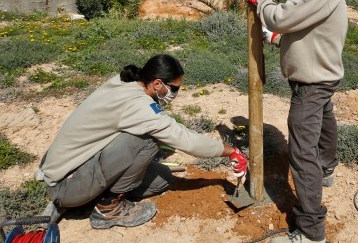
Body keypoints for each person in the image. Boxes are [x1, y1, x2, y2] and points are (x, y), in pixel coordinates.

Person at [36, 54, 247, 229]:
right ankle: (108, 208)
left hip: (71, 170)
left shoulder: (124, 83)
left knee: (162, 179)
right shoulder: (139, 106)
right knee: (150, 139)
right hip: (65, 184)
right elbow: (184, 139)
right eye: (174, 88)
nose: (175, 93)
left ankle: (96, 195)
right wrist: (230, 151)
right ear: (157, 83)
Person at [244, 0, 348, 243]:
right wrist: (282, 40)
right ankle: (326, 168)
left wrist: (262, 0)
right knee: (325, 123)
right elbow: (307, 29)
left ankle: (311, 233)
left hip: (312, 83)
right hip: (321, 77)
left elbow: (279, 17)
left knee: (301, 152)